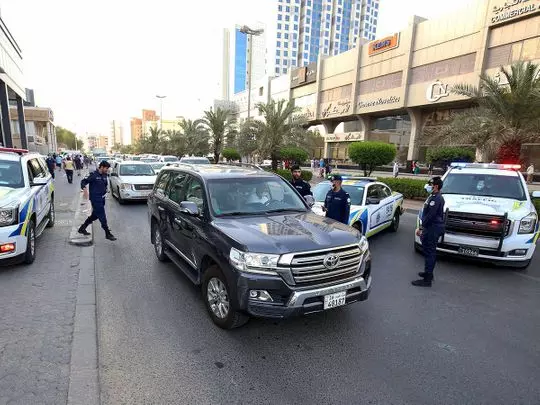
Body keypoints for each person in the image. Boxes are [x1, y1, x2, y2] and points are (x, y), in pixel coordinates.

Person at [412, 176, 446, 287]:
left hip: (432, 228)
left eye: (430, 185)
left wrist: (421, 228)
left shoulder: (437, 199)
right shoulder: (433, 196)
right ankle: (428, 273)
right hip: (431, 227)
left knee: (430, 253)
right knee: (428, 252)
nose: (428, 186)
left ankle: (427, 279)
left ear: (435, 186)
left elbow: (430, 216)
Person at [78, 161, 116, 241]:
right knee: (102, 215)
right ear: (101, 167)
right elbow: (83, 181)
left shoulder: (105, 175)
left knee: (95, 215)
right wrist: (84, 189)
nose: (107, 170)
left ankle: (82, 228)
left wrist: (106, 190)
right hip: (95, 199)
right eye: (106, 168)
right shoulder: (93, 175)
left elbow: (105, 184)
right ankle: (107, 233)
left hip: (102, 198)